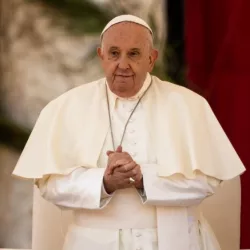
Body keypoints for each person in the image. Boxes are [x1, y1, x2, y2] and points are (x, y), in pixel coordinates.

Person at [12, 14, 245, 250]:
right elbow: (50, 186)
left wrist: (144, 179)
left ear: (152, 59)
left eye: (134, 53)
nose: (123, 64)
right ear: (101, 56)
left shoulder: (189, 105)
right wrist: (103, 182)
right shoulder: (65, 107)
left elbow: (207, 182)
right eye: (114, 53)